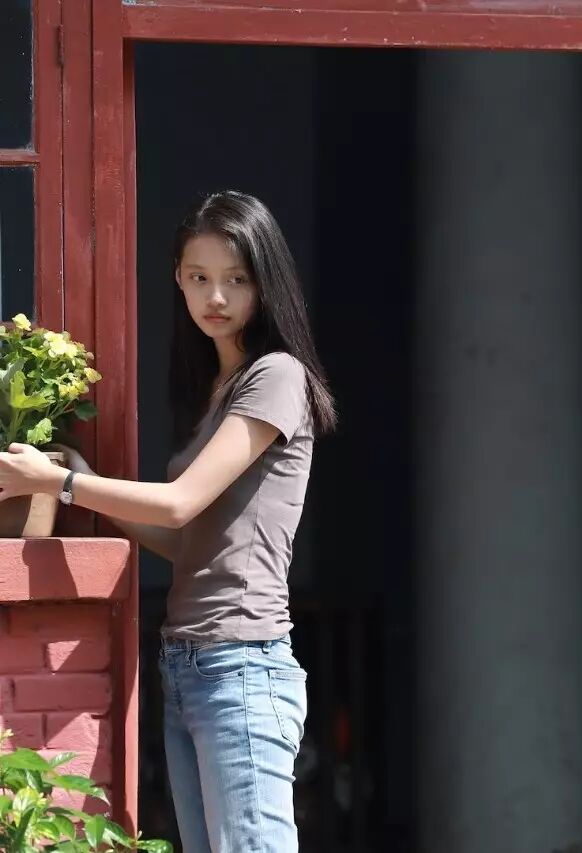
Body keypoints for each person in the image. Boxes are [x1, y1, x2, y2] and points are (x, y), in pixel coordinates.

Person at [0, 190, 336, 853]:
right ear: (179, 279)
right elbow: (186, 543)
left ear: (266, 282)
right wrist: (80, 485)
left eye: (237, 279)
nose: (217, 296)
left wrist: (59, 482)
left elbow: (180, 502)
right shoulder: (217, 388)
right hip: (189, 663)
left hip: (243, 663)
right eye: (199, 277)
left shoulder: (276, 375)